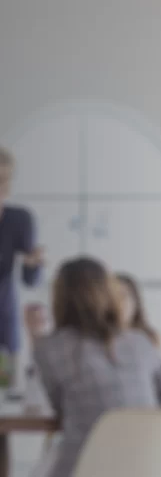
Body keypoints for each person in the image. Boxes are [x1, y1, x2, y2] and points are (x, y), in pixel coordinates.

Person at [33, 256, 161, 477]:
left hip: (84, 469)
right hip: (151, 468)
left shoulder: (49, 348)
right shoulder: (140, 342)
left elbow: (59, 407)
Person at [0, 145, 44, 391]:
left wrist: (34, 264)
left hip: (4, 331)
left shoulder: (20, 219)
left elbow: (31, 280)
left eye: (5, 179)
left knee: (2, 409)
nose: (2, 186)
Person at [114, 272, 160, 346]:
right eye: (114, 297)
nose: (119, 303)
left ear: (135, 300)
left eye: (123, 296)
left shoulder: (149, 336)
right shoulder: (103, 338)